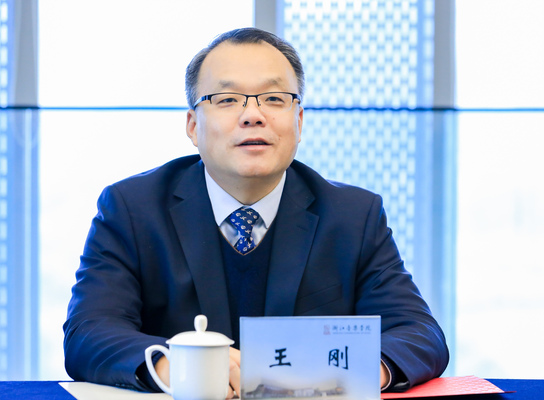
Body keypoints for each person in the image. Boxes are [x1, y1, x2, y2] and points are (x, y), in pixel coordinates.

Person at [63, 27, 449, 396]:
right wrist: (177, 367)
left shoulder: (353, 216)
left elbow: (420, 334)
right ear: (193, 126)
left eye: (274, 98)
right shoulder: (132, 209)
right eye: (227, 99)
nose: (253, 115)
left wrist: (350, 371)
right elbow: (88, 332)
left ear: (299, 121)